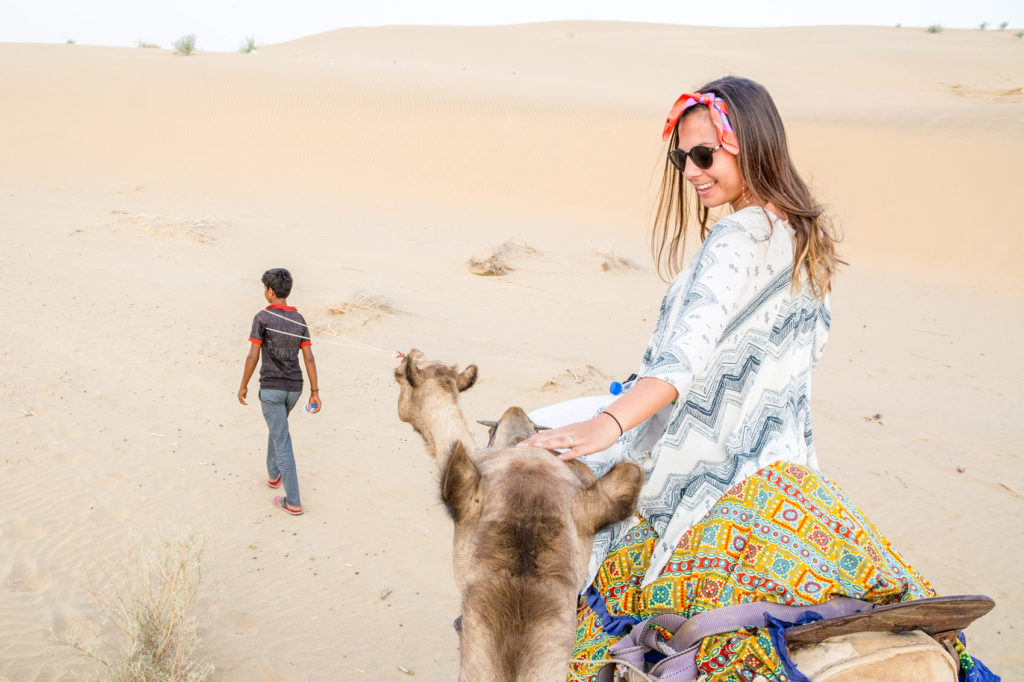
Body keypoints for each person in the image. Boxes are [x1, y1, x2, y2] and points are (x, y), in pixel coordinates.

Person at [518, 77, 995, 681]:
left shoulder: (735, 238)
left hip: (704, 481)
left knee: (584, 604)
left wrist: (603, 424)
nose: (690, 170)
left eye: (704, 154)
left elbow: (682, 363)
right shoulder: (802, 238)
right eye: (680, 156)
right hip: (789, 473)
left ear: (752, 148)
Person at [238, 268, 321, 516]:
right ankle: (274, 475)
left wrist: (243, 384)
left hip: (272, 390)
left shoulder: (262, 318)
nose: (264, 292)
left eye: (265, 288)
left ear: (270, 291)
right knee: (278, 428)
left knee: (282, 440)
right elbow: (309, 358)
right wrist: (314, 391)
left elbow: (253, 355)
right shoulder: (299, 319)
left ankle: (293, 501)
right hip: (295, 390)